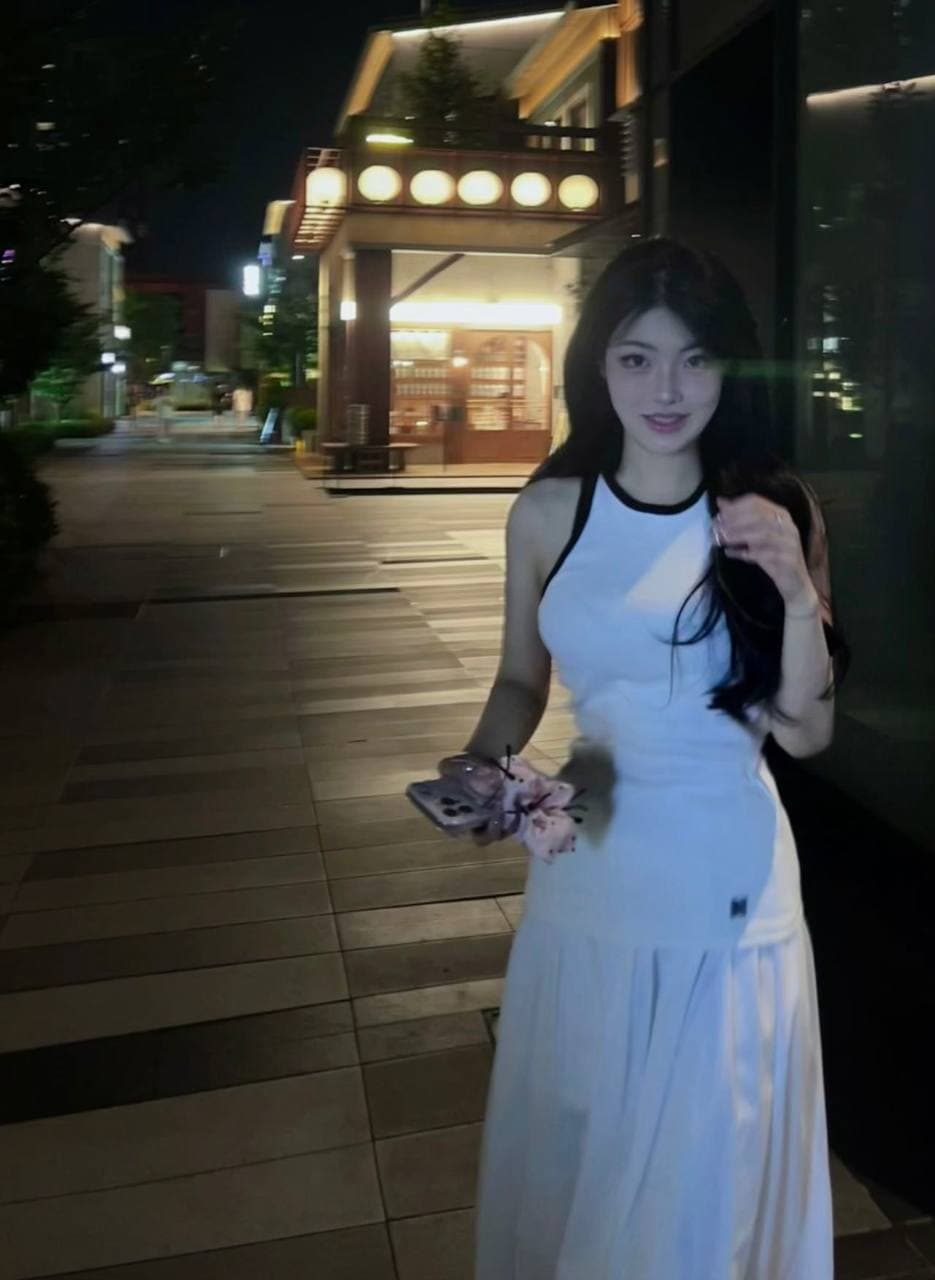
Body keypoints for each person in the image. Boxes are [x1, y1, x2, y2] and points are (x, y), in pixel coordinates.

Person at [438, 238, 851, 1279]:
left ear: (729, 367)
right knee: (590, 1140)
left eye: (693, 358)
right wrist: (480, 766)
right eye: (635, 358)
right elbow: (520, 679)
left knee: (708, 1167)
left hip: (726, 877)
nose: (665, 390)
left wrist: (795, 591)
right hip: (589, 871)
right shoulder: (549, 510)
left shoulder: (772, 510)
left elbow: (804, 731)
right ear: (598, 365)